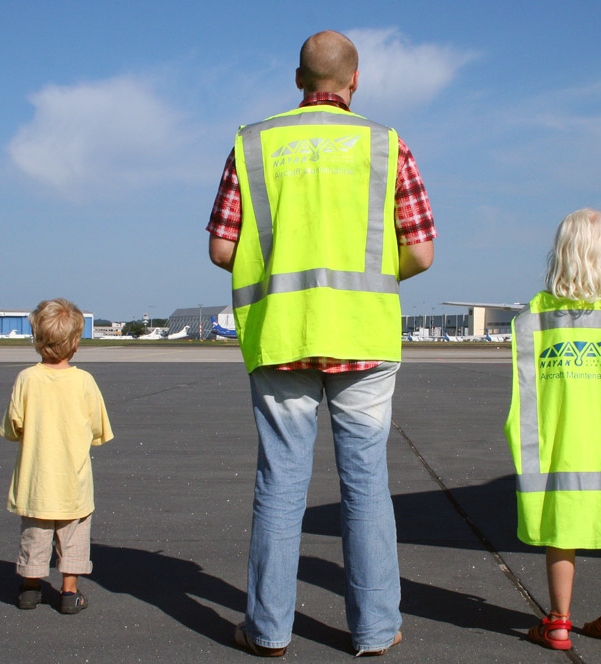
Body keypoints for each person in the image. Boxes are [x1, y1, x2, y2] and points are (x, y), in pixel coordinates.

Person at [207, 30, 435, 657]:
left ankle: (269, 630)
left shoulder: (252, 143)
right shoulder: (386, 145)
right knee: (365, 485)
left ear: (298, 79)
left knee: (281, 483)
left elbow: (223, 247)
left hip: (280, 335)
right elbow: (420, 250)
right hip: (362, 336)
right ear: (354, 81)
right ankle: (374, 629)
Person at [505, 209, 601, 650]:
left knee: (561, 532)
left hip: (561, 448)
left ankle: (559, 622)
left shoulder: (537, 316)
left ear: (562, 255)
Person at [0, 298, 113, 614]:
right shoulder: (84, 381)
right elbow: (98, 430)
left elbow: (13, 427)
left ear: (37, 340)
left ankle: (30, 589)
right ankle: (68, 592)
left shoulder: (26, 379)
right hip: (73, 482)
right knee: (74, 538)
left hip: (35, 482)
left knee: (34, 536)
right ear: (75, 343)